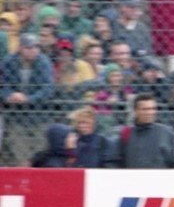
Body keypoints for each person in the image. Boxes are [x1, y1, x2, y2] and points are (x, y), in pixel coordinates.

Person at [1, 33, 55, 165]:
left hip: (39, 115)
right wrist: (9, 95)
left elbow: (47, 89)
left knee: (39, 151)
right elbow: (2, 85)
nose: (33, 51)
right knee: (19, 152)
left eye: (36, 47)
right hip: (15, 115)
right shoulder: (9, 61)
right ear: (20, 48)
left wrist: (28, 98)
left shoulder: (44, 62)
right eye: (29, 47)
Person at [113, 93, 174, 168]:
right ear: (135, 111)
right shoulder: (126, 133)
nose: (150, 112)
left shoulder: (167, 132)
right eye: (145, 109)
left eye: (153, 109)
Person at [33, 107, 112, 167]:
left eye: (86, 123)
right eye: (80, 123)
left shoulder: (101, 141)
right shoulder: (70, 138)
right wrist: (70, 150)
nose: (83, 126)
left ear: (93, 124)